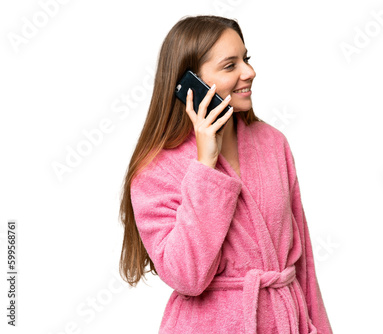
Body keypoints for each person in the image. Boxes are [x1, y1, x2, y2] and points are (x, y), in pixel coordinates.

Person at [118, 15, 333, 334]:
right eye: (230, 65)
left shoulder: (272, 143)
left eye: (245, 59)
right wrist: (205, 165)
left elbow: (303, 264)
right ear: (190, 84)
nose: (249, 72)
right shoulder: (156, 170)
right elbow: (187, 277)